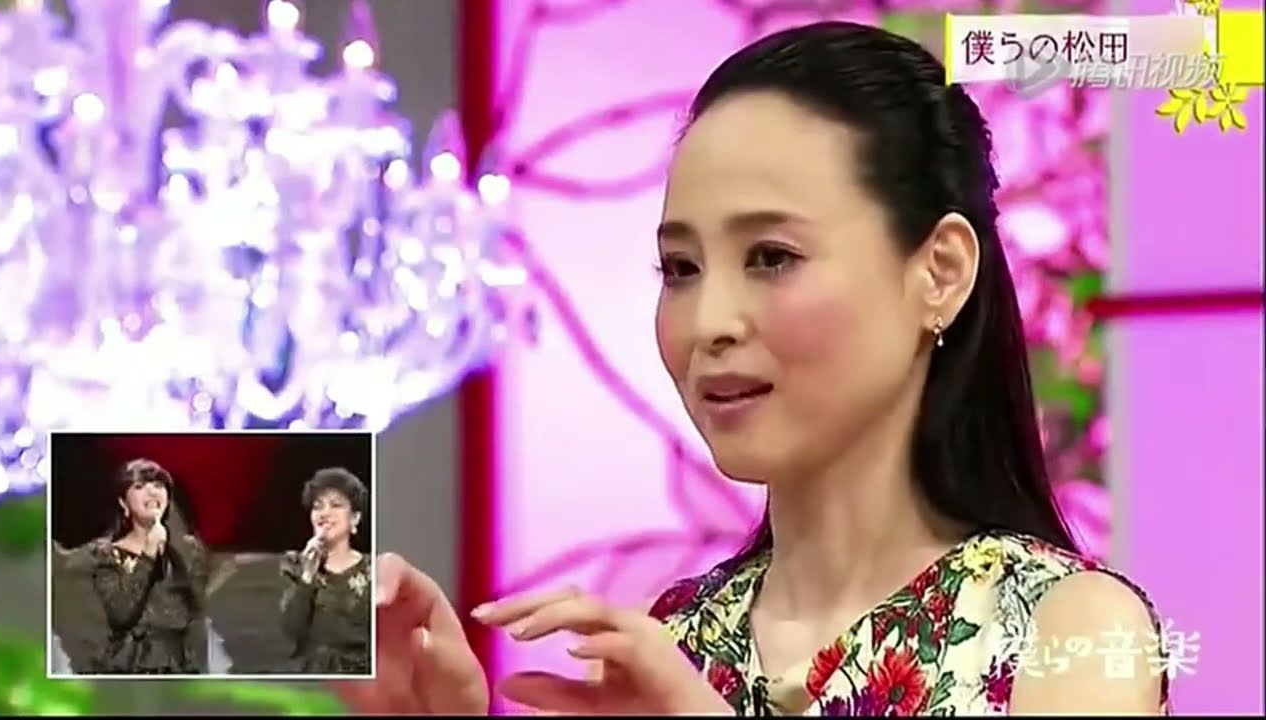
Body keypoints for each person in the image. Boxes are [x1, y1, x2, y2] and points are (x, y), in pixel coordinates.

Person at [338, 21, 1170, 715]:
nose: (709, 324)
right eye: (681, 269)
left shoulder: (1066, 630)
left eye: (772, 256)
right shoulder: (676, 640)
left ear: (940, 272)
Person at [86, 458, 210, 674]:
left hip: (182, 665)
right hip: (132, 664)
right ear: (123, 503)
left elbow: (200, 610)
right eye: (139, 486)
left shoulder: (189, 550)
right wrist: (149, 554)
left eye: (159, 485)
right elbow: (121, 614)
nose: (152, 492)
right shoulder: (107, 554)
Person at [280, 467, 372, 674]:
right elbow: (291, 631)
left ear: (355, 519)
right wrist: (307, 575)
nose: (324, 514)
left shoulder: (373, 571)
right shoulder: (294, 565)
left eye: (336, 505)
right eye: (317, 506)